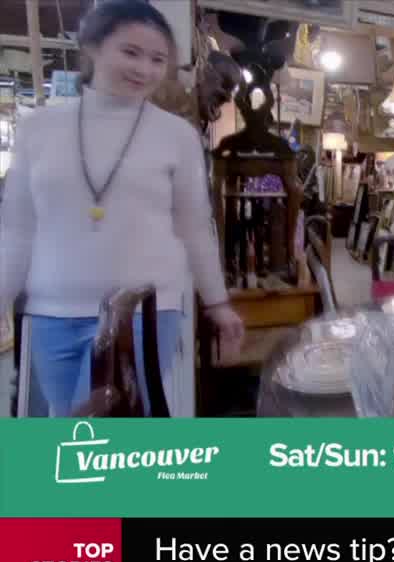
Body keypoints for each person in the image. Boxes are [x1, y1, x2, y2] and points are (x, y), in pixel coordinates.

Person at [0, 0, 243, 416]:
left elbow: (194, 227)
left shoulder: (177, 136)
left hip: (144, 315)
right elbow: (18, 229)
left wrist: (217, 303)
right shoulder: (39, 129)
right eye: (130, 52)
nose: (144, 70)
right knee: (70, 426)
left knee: (106, 429)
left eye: (157, 59)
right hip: (52, 312)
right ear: (93, 48)